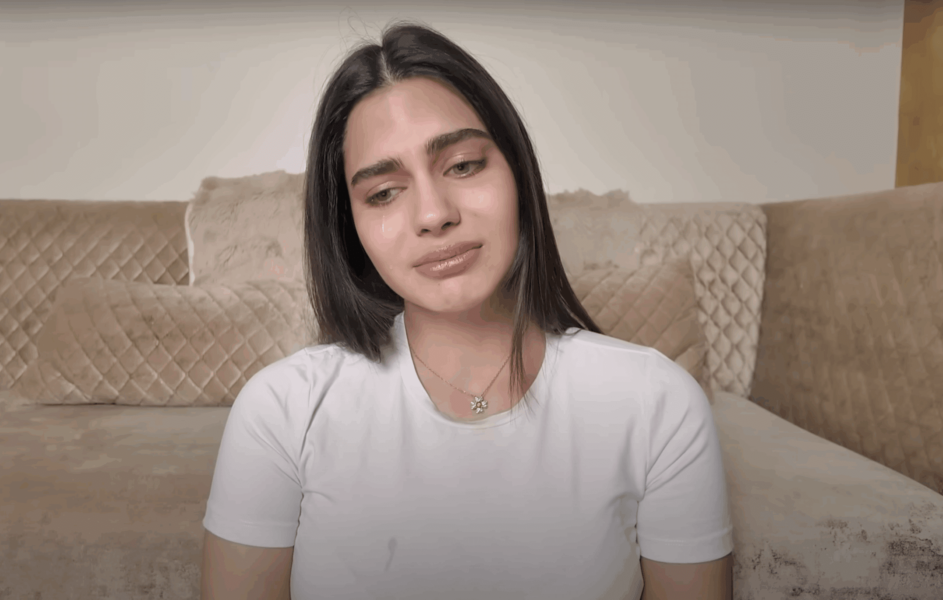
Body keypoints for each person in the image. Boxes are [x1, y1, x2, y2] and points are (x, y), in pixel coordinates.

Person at [201, 20, 734, 600]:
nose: (434, 215)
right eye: (383, 193)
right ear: (349, 227)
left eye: (462, 165)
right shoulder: (282, 410)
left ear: (518, 173)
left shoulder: (657, 403)